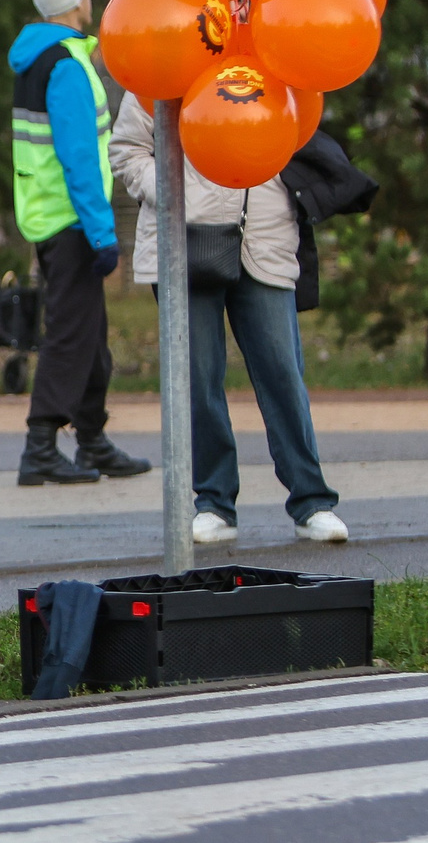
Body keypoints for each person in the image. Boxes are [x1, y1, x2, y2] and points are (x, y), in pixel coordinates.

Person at [113, 94, 347, 546]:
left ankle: (312, 501)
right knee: (197, 380)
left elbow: (298, 134)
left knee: (283, 374)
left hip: (265, 239)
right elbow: (127, 151)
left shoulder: (272, 55)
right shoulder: (169, 52)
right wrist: (176, 193)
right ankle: (214, 503)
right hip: (185, 240)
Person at [8, 0, 148, 486]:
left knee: (92, 338)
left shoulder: (33, 61)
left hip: (47, 215)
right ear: (78, 0)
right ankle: (40, 444)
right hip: (72, 222)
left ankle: (91, 440)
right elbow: (80, 159)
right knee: (71, 336)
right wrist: (102, 231)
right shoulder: (65, 64)